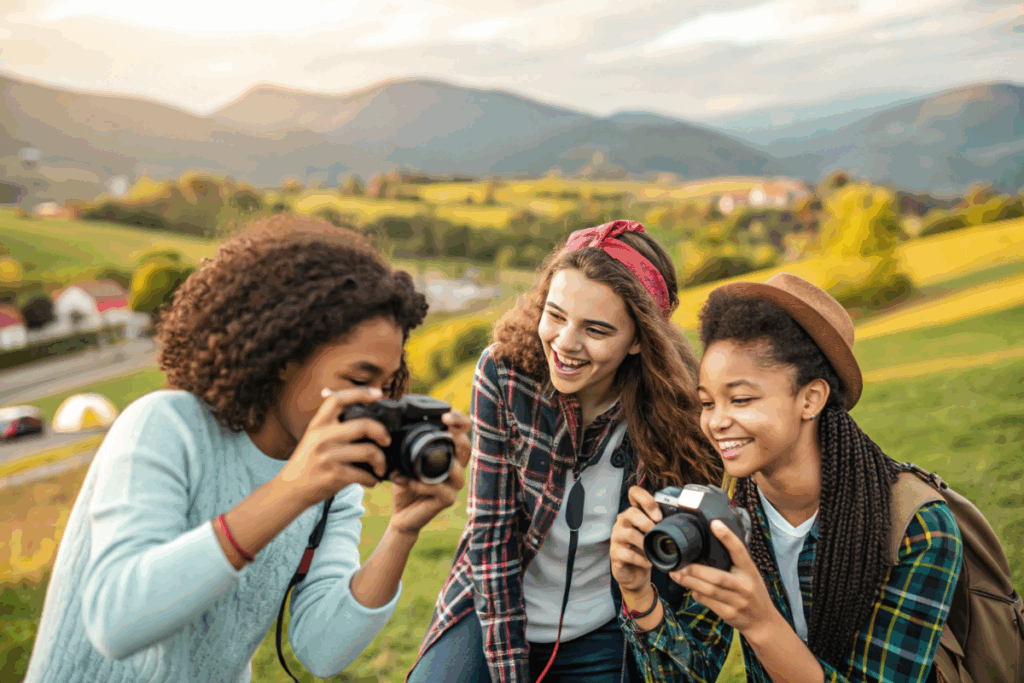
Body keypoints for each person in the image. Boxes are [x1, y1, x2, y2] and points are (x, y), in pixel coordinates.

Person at [23, 216, 472, 683]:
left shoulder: (335, 485)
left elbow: (323, 650)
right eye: (359, 381)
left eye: (386, 384)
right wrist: (290, 492)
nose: (374, 403)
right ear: (284, 356)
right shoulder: (164, 426)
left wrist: (402, 529)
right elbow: (115, 622)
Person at [407, 220, 722, 683]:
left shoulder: (682, 413)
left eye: (595, 330)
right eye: (555, 315)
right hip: (494, 605)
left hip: (606, 627)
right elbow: (489, 536)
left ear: (638, 339)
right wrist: (508, 671)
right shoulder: (502, 373)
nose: (565, 343)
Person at [610, 273, 964, 683]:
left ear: (810, 398)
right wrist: (638, 593)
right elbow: (687, 673)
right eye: (707, 402)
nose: (717, 421)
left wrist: (761, 624)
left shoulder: (917, 528)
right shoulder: (732, 515)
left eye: (741, 399)